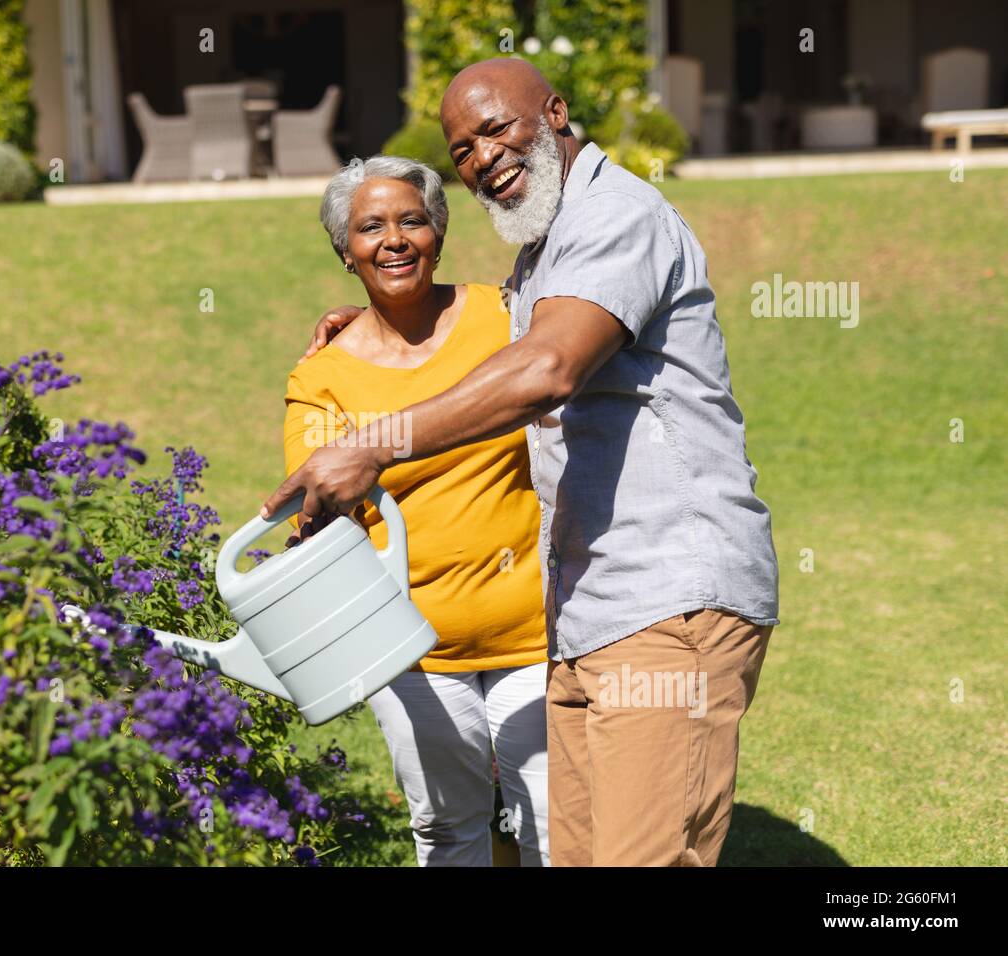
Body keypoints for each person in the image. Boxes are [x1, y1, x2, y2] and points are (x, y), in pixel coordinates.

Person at [268, 58, 780, 867]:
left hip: (666, 599)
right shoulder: (546, 250)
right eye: (462, 149)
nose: (482, 159)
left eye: (496, 129)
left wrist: (371, 441)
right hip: (589, 615)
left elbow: (547, 370)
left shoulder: (613, 215)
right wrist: (375, 316)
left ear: (555, 112)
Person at [283, 155, 549, 866]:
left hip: (540, 635)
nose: (394, 239)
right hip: (413, 653)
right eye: (371, 228)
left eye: (412, 221)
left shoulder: (508, 313)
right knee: (448, 832)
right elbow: (317, 513)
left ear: (438, 232)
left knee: (556, 827)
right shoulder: (322, 376)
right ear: (347, 252)